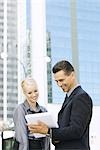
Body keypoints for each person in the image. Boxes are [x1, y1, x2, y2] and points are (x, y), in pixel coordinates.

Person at [28, 60, 93, 150]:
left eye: (61, 80)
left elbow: (76, 130)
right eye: (56, 81)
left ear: (72, 75)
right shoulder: (69, 97)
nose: (59, 84)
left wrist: (48, 130)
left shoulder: (81, 97)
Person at [13, 76, 50, 150]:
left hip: (40, 146)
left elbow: (46, 137)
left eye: (35, 91)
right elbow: (22, 139)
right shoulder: (20, 110)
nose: (34, 95)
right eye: (30, 93)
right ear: (24, 93)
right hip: (27, 146)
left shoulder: (44, 111)